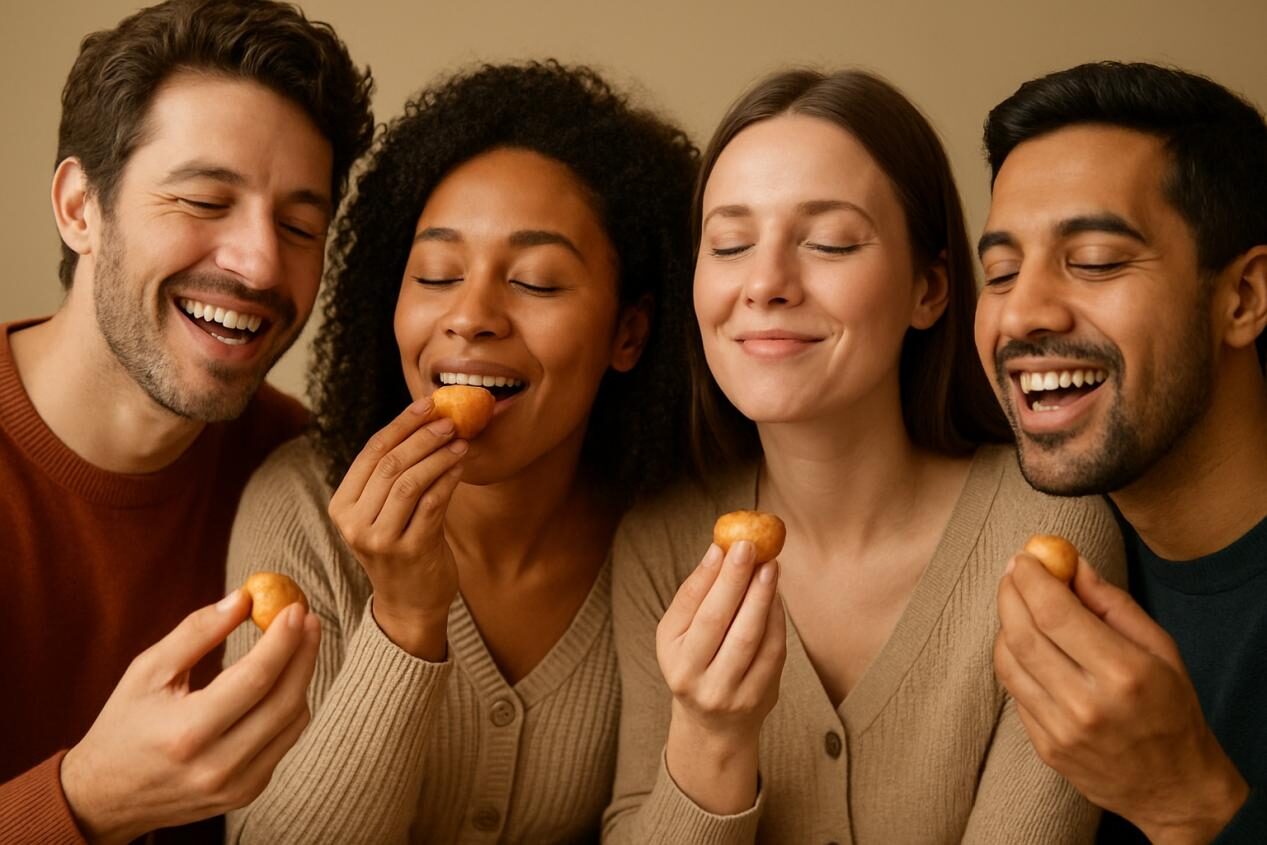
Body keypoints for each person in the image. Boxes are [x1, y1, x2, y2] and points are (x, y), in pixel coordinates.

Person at [603, 68, 1126, 844]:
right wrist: (710, 740)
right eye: (730, 243)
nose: (766, 282)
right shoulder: (657, 542)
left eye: (829, 241)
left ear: (930, 288)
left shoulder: (1047, 536)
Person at [222, 61, 697, 843]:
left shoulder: (673, 539)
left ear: (628, 333)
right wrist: (406, 617)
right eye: (436, 274)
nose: (470, 316)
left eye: (538, 283)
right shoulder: (301, 506)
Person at [0, 2, 373, 842]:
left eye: (299, 225)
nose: (260, 262)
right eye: (206, 199)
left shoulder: (307, 482)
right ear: (78, 208)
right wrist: (83, 800)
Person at [976, 61, 1267, 844]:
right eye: (999, 271)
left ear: (1240, 298)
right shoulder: (1021, 555)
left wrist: (1188, 803)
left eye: (1096, 260)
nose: (1022, 312)